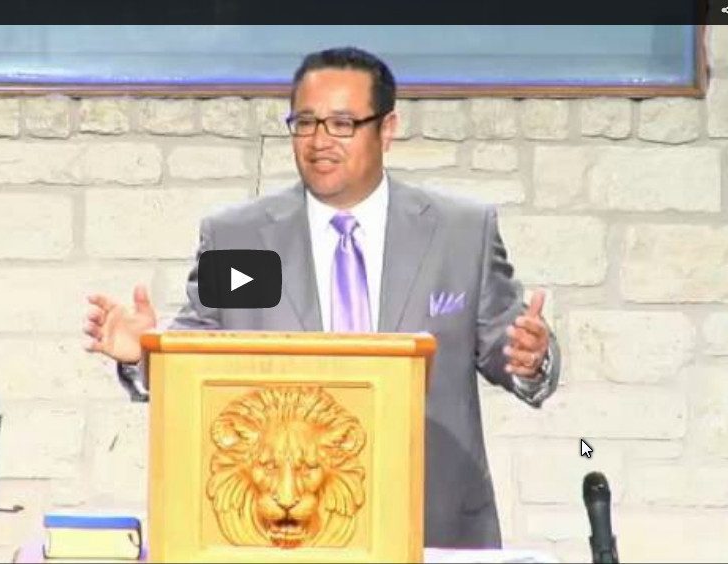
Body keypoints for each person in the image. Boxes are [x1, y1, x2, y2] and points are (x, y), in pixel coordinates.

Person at [83, 46, 560, 549]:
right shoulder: (243, 241)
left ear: (388, 128)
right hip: (282, 533)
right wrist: (145, 353)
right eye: (305, 123)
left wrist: (531, 359)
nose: (318, 142)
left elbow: (512, 354)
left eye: (341, 124)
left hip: (430, 528)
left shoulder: (460, 234)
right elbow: (199, 359)